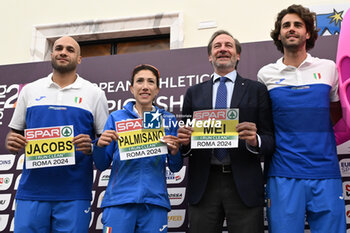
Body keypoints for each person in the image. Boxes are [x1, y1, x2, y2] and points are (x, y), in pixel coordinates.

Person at [5, 36, 109, 233]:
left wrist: (92, 147)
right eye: (58, 48)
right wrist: (11, 143)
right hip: (32, 192)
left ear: (79, 59)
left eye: (70, 50)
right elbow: (13, 136)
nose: (63, 52)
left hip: (75, 193)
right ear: (51, 54)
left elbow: (103, 144)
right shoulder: (30, 90)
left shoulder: (94, 93)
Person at [257, 5, 346, 233]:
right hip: (282, 173)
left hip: (325, 171)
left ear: (308, 33)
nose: (292, 29)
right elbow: (264, 123)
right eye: (286, 25)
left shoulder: (328, 68)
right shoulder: (265, 74)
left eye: (298, 25)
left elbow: (337, 113)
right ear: (279, 34)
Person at [177, 30, 274, 233]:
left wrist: (255, 140)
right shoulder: (193, 93)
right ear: (210, 56)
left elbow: (269, 139)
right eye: (217, 46)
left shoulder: (256, 90)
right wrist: (184, 142)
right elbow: (184, 144)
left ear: (238, 55)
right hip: (204, 184)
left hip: (244, 184)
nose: (223, 49)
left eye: (228, 45)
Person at [92, 64, 183, 233]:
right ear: (131, 88)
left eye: (151, 82)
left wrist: (176, 151)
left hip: (155, 202)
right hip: (119, 201)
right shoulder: (116, 118)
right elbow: (102, 164)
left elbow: (176, 167)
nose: (145, 86)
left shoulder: (168, 119)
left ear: (157, 89)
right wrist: (98, 146)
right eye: (140, 81)